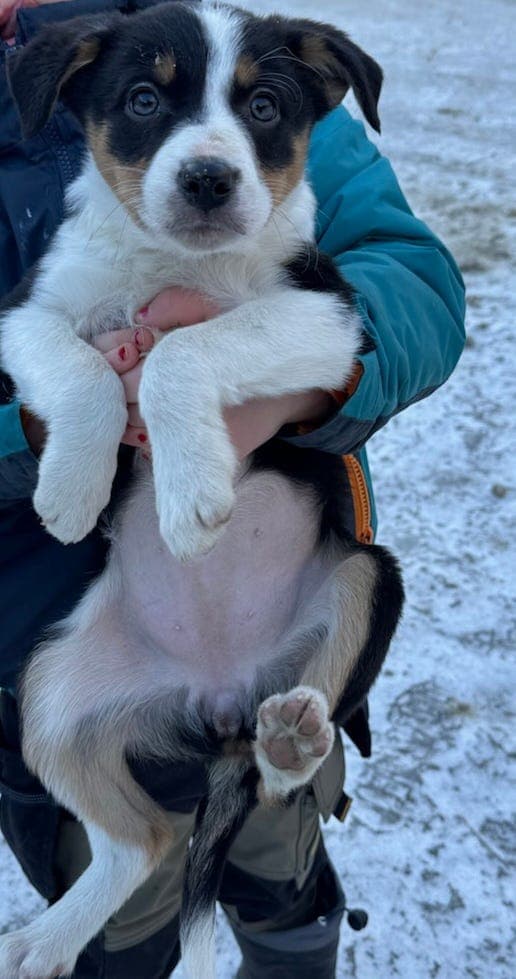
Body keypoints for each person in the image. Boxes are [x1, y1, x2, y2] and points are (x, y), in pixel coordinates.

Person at [0, 0, 466, 976]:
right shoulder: (92, 184)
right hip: (72, 606)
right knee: (66, 745)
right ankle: (111, 892)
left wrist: (251, 384)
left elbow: (398, 288)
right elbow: (32, 332)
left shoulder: (217, 44)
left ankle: (293, 787)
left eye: (257, 112)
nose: (206, 156)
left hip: (276, 599)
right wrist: (55, 420)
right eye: (143, 104)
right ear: (70, 97)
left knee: (273, 840)